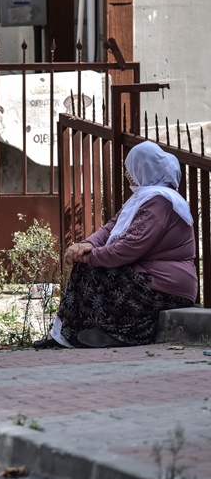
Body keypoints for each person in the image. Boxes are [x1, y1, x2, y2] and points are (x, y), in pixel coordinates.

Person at [35, 141, 197, 349]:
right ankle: (71, 335)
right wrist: (85, 244)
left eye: (132, 168)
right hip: (148, 276)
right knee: (88, 269)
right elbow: (110, 227)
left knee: (90, 270)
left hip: (167, 286)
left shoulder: (160, 202)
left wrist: (89, 256)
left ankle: (75, 335)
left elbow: (129, 246)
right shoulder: (143, 198)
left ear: (144, 168)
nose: (128, 174)